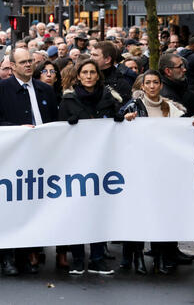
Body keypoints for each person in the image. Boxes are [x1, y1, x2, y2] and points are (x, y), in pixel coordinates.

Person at [0, 47, 57, 276]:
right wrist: (17, 131)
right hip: (11, 158)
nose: (28, 65)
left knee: (31, 208)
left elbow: (55, 121)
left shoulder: (46, 90)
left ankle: (27, 256)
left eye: (30, 61)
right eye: (23, 62)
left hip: (40, 157)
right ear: (12, 66)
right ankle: (7, 258)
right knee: (9, 208)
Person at [57, 58, 135, 276]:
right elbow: (57, 134)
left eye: (93, 72)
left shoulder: (108, 98)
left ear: (97, 75)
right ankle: (78, 258)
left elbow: (118, 123)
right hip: (76, 167)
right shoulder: (68, 101)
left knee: (99, 212)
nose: (89, 76)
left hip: (103, 165)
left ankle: (98, 259)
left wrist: (120, 118)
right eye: (85, 73)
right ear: (79, 76)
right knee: (77, 212)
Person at [122, 69, 192, 274]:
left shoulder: (170, 108)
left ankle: (163, 256)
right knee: (141, 213)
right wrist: (125, 118)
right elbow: (118, 123)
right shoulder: (133, 106)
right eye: (148, 83)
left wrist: (190, 126)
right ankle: (137, 257)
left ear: (161, 85)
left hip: (164, 171)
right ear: (142, 86)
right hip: (140, 169)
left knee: (163, 214)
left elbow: (180, 133)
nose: (152, 86)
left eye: (155, 83)